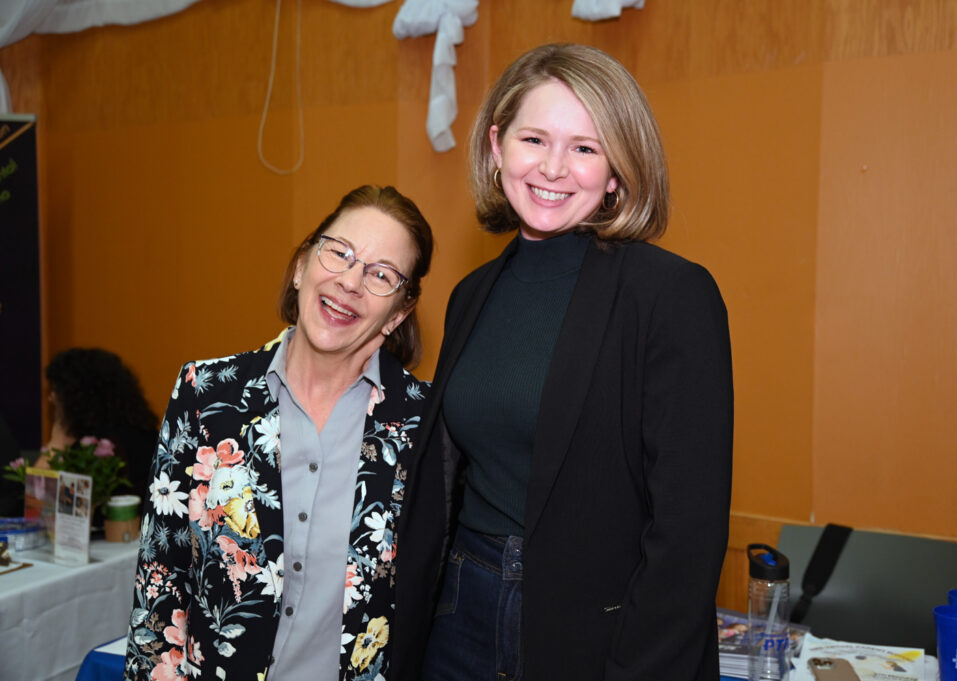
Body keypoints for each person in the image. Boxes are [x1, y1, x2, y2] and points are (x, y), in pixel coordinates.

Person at [394, 43, 733, 681]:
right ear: (497, 147)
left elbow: (688, 530)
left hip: (593, 632)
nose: (553, 168)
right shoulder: (472, 294)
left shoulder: (670, 295)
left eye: (584, 148)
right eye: (534, 139)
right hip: (459, 611)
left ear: (617, 171)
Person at [123, 185, 434, 681]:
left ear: (397, 313)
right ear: (301, 267)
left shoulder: (427, 424)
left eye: (381, 274)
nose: (350, 281)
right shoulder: (205, 395)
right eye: (340, 253)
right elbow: (160, 581)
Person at [41, 347, 159, 499]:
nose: (51, 398)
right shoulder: (145, 433)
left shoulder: (94, 449)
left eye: (55, 390)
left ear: (74, 396)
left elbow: (41, 503)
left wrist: (57, 442)